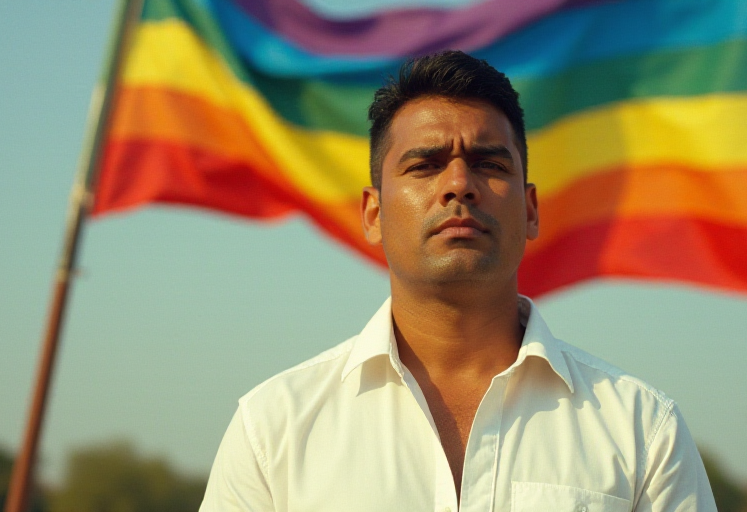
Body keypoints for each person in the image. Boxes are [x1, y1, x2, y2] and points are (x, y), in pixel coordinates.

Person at [200, 50, 717, 512]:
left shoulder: (641, 429)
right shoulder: (274, 430)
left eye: (488, 163)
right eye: (424, 165)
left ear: (531, 209)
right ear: (373, 213)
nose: (459, 185)